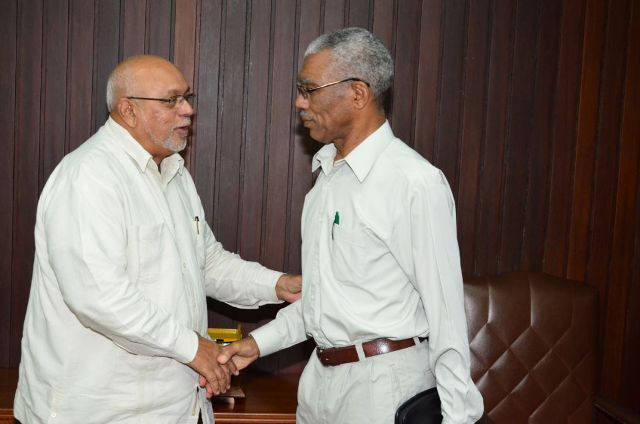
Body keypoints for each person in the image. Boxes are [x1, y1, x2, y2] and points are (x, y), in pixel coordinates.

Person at [13, 55, 301, 424]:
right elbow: (100, 297)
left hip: (176, 406)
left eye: (187, 97)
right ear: (128, 111)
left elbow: (205, 262)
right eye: (171, 100)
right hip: (100, 411)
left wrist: (278, 285)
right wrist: (193, 348)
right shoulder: (89, 177)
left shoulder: (175, 173)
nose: (188, 111)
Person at [219, 27, 484, 423]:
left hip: (383, 389)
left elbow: (446, 316)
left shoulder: (413, 182)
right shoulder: (325, 179)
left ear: (357, 93)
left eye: (309, 90)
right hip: (319, 384)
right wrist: (258, 344)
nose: (299, 102)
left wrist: (459, 417)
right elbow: (323, 301)